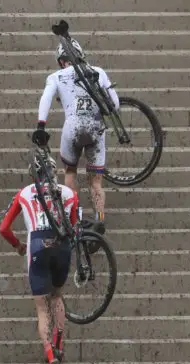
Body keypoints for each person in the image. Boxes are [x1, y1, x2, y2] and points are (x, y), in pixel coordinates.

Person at [0, 153, 79, 364]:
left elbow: (3, 228)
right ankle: (60, 343)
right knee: (57, 297)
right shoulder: (68, 192)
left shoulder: (25, 192)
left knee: (42, 308)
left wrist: (18, 246)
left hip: (37, 247)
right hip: (62, 248)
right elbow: (74, 227)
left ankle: (51, 356)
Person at [32, 38, 119, 235]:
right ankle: (100, 218)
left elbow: (45, 98)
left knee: (70, 172)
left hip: (72, 128)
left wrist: (41, 125)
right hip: (96, 127)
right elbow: (115, 104)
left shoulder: (57, 76)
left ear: (62, 61)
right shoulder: (98, 72)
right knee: (96, 181)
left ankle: (74, 219)